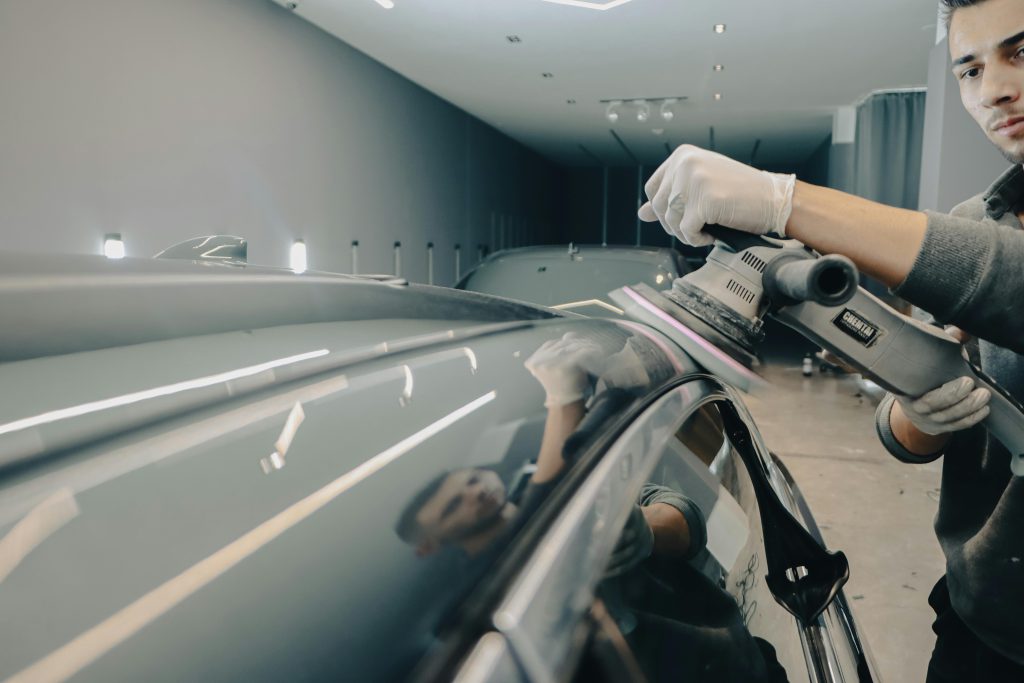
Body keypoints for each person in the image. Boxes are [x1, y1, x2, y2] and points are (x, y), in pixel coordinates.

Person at [637, 0, 1024, 678]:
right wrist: (921, 412)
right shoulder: (975, 220)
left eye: (1020, 53)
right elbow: (900, 433)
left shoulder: (973, 252)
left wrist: (785, 201)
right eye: (968, 69)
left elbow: (1004, 279)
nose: (992, 88)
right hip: (982, 612)